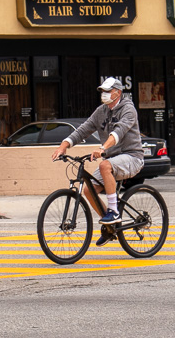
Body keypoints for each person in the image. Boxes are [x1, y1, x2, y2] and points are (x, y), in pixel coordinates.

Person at [51, 77, 143, 246]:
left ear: (118, 92)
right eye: (102, 91)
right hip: (113, 159)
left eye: (108, 91)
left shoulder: (128, 109)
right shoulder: (101, 111)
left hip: (132, 156)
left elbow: (119, 131)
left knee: (104, 164)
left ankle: (114, 211)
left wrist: (103, 148)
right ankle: (110, 228)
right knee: (88, 190)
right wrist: (64, 146)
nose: (104, 94)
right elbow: (83, 130)